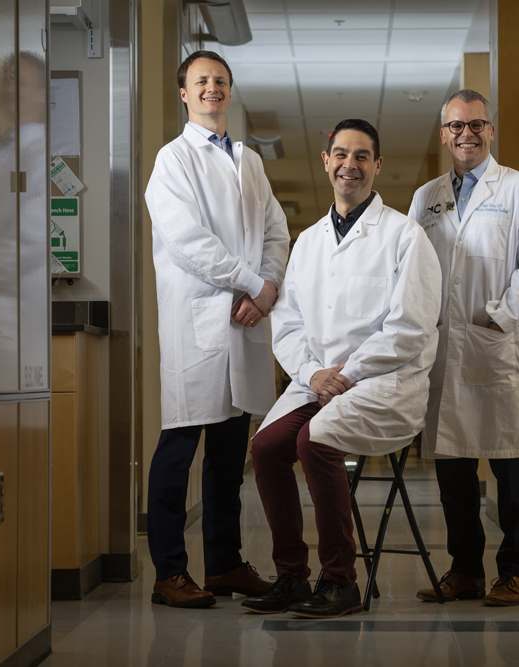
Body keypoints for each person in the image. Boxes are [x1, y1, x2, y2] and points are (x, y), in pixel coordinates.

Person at [241, 119, 442, 619]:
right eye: (341, 155)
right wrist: (312, 375)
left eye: (361, 156)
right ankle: (291, 576)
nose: (349, 165)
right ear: (326, 161)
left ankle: (340, 581)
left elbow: (410, 328)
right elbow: (286, 326)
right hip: (318, 383)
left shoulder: (404, 236)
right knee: (265, 447)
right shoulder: (307, 242)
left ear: (376, 166)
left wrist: (346, 375)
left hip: (385, 383)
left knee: (316, 439)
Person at [143, 51, 290, 608]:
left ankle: (224, 564)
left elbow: (276, 230)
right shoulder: (172, 160)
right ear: (183, 92)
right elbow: (186, 241)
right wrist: (252, 283)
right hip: (200, 320)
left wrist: (267, 285)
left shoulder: (248, 160)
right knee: (180, 447)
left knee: (230, 455)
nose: (212, 89)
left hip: (246, 321)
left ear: (231, 90)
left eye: (220, 81)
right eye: (201, 81)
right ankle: (169, 572)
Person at [408, 89, 519, 606]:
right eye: (455, 126)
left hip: (492, 344)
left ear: (490, 131)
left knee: (509, 465)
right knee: (453, 472)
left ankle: (515, 571)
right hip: (442, 351)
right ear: (443, 132)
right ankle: (466, 569)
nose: (465, 134)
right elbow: (414, 272)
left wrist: (499, 317)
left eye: (475, 125)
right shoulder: (426, 198)